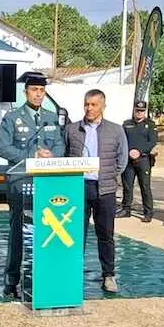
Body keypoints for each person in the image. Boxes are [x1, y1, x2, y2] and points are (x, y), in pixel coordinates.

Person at [0, 71, 65, 299]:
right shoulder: (12, 117)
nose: (38, 94)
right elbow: (3, 148)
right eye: (34, 90)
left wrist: (51, 155)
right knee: (19, 231)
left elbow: (60, 145)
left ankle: (41, 278)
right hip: (21, 180)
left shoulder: (51, 117)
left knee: (45, 231)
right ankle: (11, 280)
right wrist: (32, 154)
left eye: (42, 90)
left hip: (46, 181)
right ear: (26, 92)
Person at [65, 89, 128, 293]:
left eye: (94, 104)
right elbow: (65, 156)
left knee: (105, 234)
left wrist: (109, 177)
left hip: (105, 190)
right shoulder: (72, 130)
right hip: (79, 188)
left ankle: (108, 275)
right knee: (75, 234)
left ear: (103, 106)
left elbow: (122, 159)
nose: (89, 108)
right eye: (87, 104)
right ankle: (73, 273)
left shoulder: (116, 130)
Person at [117, 100, 158, 222]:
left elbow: (152, 141)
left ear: (145, 111)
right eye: (137, 110)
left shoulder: (150, 124)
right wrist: (129, 151)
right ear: (134, 110)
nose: (139, 113)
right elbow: (122, 140)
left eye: (142, 111)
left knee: (145, 186)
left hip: (143, 159)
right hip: (129, 160)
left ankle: (148, 212)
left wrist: (139, 151)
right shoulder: (127, 124)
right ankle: (126, 209)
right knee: (127, 185)